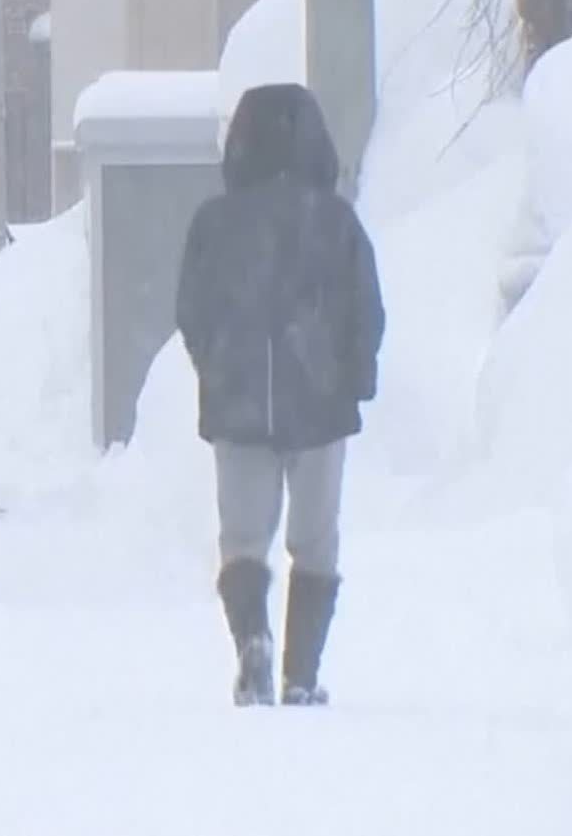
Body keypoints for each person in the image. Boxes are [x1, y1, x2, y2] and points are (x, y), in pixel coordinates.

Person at [175, 83, 385, 707]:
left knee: (242, 537)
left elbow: (191, 309)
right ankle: (300, 675)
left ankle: (252, 642)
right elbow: (366, 309)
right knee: (315, 539)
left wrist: (214, 365)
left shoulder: (214, 222)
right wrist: (355, 378)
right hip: (319, 403)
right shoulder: (337, 220)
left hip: (237, 400)